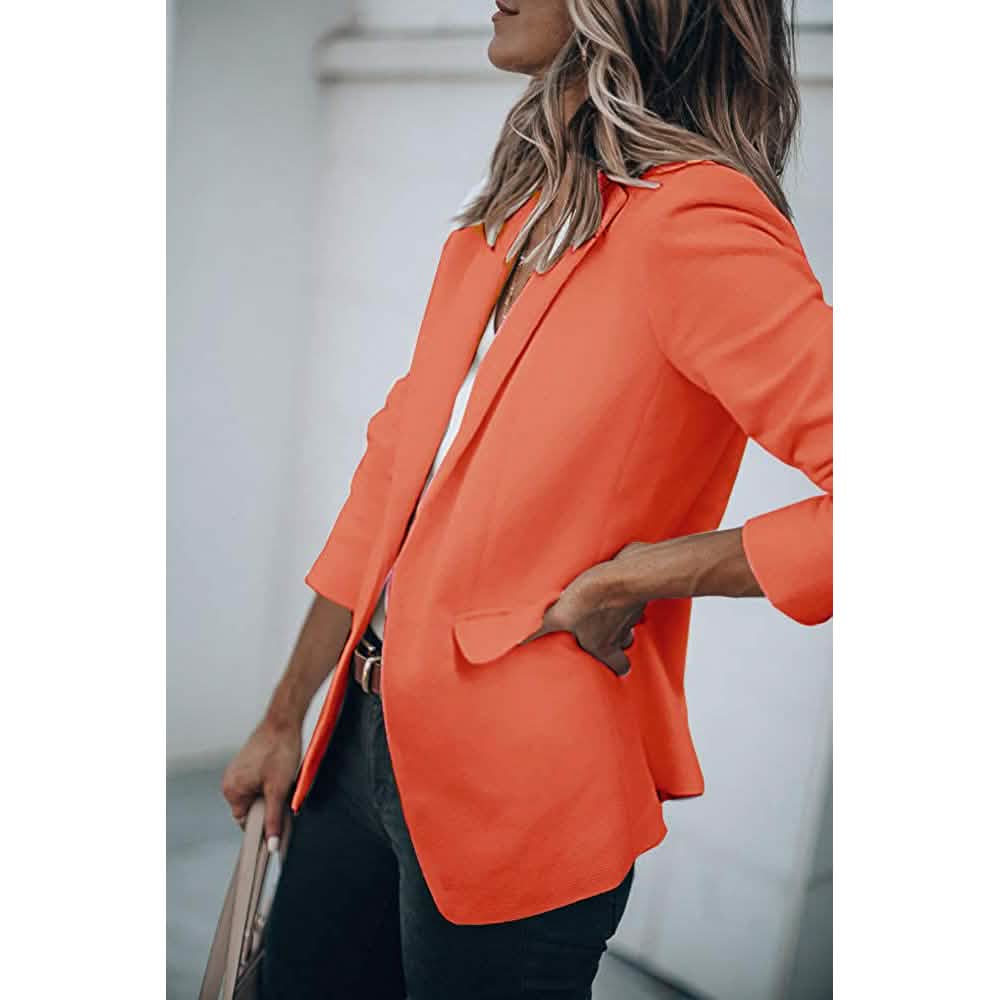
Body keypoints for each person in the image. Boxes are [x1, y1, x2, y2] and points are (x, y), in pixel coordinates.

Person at [221, 1, 832, 997]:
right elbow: (390, 486)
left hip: (527, 785)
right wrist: (285, 714)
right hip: (355, 750)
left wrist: (644, 573)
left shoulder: (695, 221)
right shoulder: (509, 215)